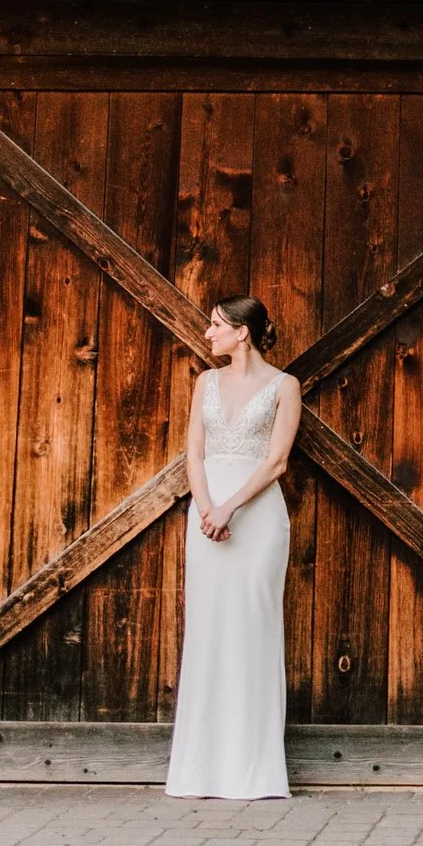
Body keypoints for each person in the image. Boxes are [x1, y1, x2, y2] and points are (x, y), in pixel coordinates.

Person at [165, 295, 302, 800]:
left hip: (257, 516)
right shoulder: (206, 383)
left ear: (242, 332)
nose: (208, 333)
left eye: (216, 325)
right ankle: (200, 770)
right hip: (206, 518)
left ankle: (253, 768)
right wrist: (207, 508)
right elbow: (194, 452)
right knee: (209, 629)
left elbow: (277, 462)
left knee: (253, 627)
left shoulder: (285, 387)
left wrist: (231, 509)